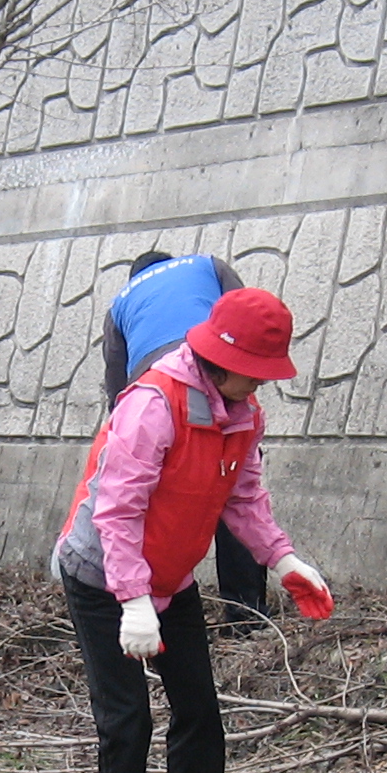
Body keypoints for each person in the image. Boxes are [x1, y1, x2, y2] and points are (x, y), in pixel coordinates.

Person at [52, 288, 334, 773]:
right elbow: (117, 511)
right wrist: (132, 602)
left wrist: (283, 559)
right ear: (220, 360)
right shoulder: (153, 404)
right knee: (127, 718)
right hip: (103, 575)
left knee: (199, 709)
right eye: (254, 372)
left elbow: (244, 498)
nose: (260, 386)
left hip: (171, 577)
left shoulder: (243, 414)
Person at [102, 249, 267, 627]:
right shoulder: (208, 266)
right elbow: (245, 316)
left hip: (157, 393)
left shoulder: (121, 302)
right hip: (219, 373)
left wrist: (125, 430)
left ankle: (148, 597)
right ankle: (247, 613)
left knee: (152, 503)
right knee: (232, 489)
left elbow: (115, 380)